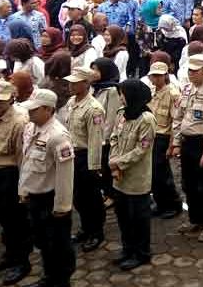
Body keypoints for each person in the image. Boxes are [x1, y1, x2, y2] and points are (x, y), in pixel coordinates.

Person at [18, 89, 76, 287]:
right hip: (35, 196)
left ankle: (61, 280)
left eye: (34, 110)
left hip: (51, 199)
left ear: (48, 109)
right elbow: (27, 163)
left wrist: (62, 207)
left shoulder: (58, 136)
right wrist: (23, 190)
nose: (30, 113)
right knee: (42, 242)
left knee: (58, 245)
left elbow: (65, 175)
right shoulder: (30, 129)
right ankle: (49, 276)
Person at [0, 81, 32, 285]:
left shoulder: (20, 121)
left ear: (12, 98)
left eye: (1, 101)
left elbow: (22, 157)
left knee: (17, 220)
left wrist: (23, 187)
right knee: (2, 217)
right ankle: (9, 253)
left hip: (10, 175)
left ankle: (22, 261)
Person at [172, 53, 203, 242]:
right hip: (187, 143)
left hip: (202, 143)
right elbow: (178, 117)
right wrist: (176, 142)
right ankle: (195, 219)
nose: (191, 74)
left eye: (195, 71)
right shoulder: (187, 89)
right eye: (189, 71)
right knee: (189, 184)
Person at [108, 80, 157, 271]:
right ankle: (127, 249)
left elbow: (141, 150)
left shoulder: (146, 119)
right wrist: (113, 160)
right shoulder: (122, 114)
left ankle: (141, 253)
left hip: (136, 178)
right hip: (119, 177)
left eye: (123, 93)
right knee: (123, 216)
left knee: (138, 218)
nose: (121, 97)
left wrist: (118, 163)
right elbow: (113, 137)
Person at [63, 67, 106, 252]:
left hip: (85, 156)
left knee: (92, 198)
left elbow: (96, 140)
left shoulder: (94, 108)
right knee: (78, 197)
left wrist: (94, 166)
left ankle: (96, 232)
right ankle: (85, 228)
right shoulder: (72, 101)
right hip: (72, 154)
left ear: (86, 83)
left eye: (75, 82)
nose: (71, 85)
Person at [146, 62, 182, 219]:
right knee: (153, 174)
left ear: (165, 75)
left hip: (164, 137)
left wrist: (172, 145)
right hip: (152, 136)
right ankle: (161, 203)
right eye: (154, 75)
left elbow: (176, 122)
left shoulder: (173, 93)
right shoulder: (153, 91)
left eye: (159, 75)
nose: (156, 78)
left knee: (163, 175)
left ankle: (173, 204)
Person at [90, 58, 122, 209]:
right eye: (93, 69)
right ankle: (107, 192)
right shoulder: (95, 88)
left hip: (106, 138)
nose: (93, 73)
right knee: (101, 167)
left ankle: (112, 195)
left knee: (108, 167)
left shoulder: (113, 90)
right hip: (95, 135)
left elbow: (111, 116)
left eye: (97, 70)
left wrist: (105, 139)